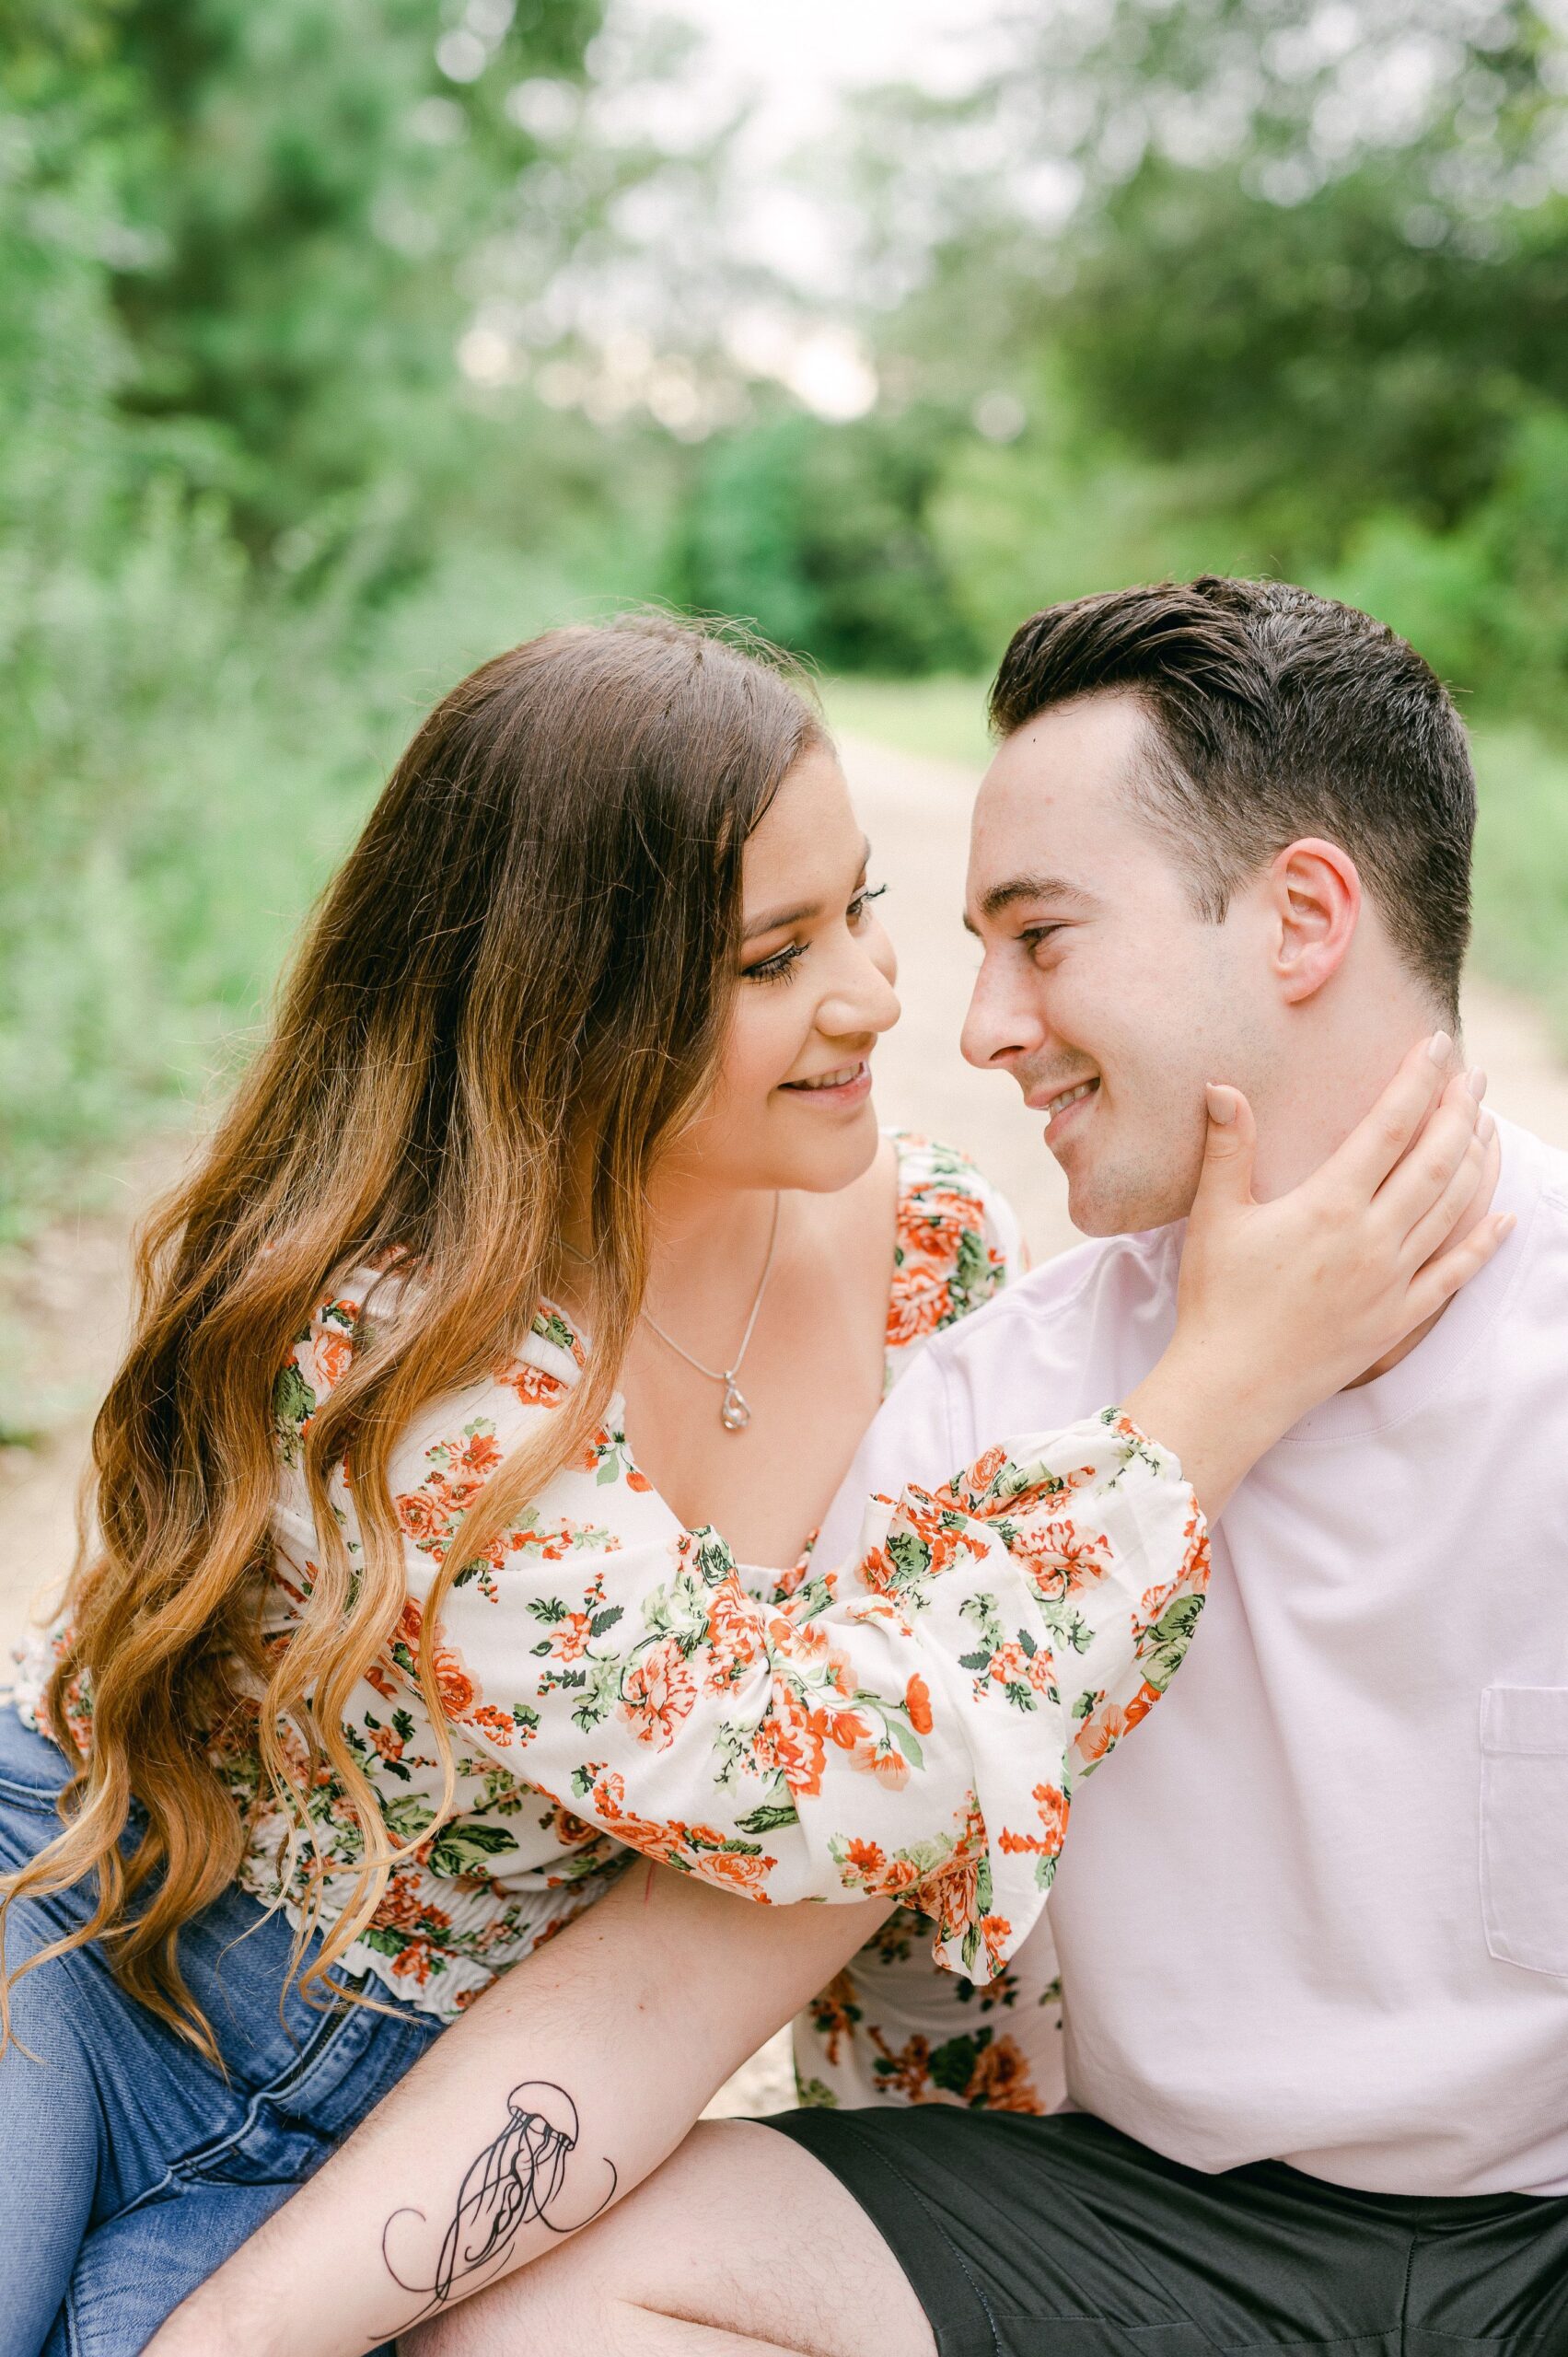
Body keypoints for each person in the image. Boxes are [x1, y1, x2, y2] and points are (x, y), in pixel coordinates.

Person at [1, 606, 1491, 2357]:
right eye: (771, 957)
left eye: (858, 906)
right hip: (104, 1941)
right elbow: (820, 1771)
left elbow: (911, 1861)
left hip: (461, 2103)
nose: (877, 995)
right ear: (577, 1002)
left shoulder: (929, 1259)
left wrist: (976, 2218)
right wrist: (1218, 1396)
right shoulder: (408, 1337)